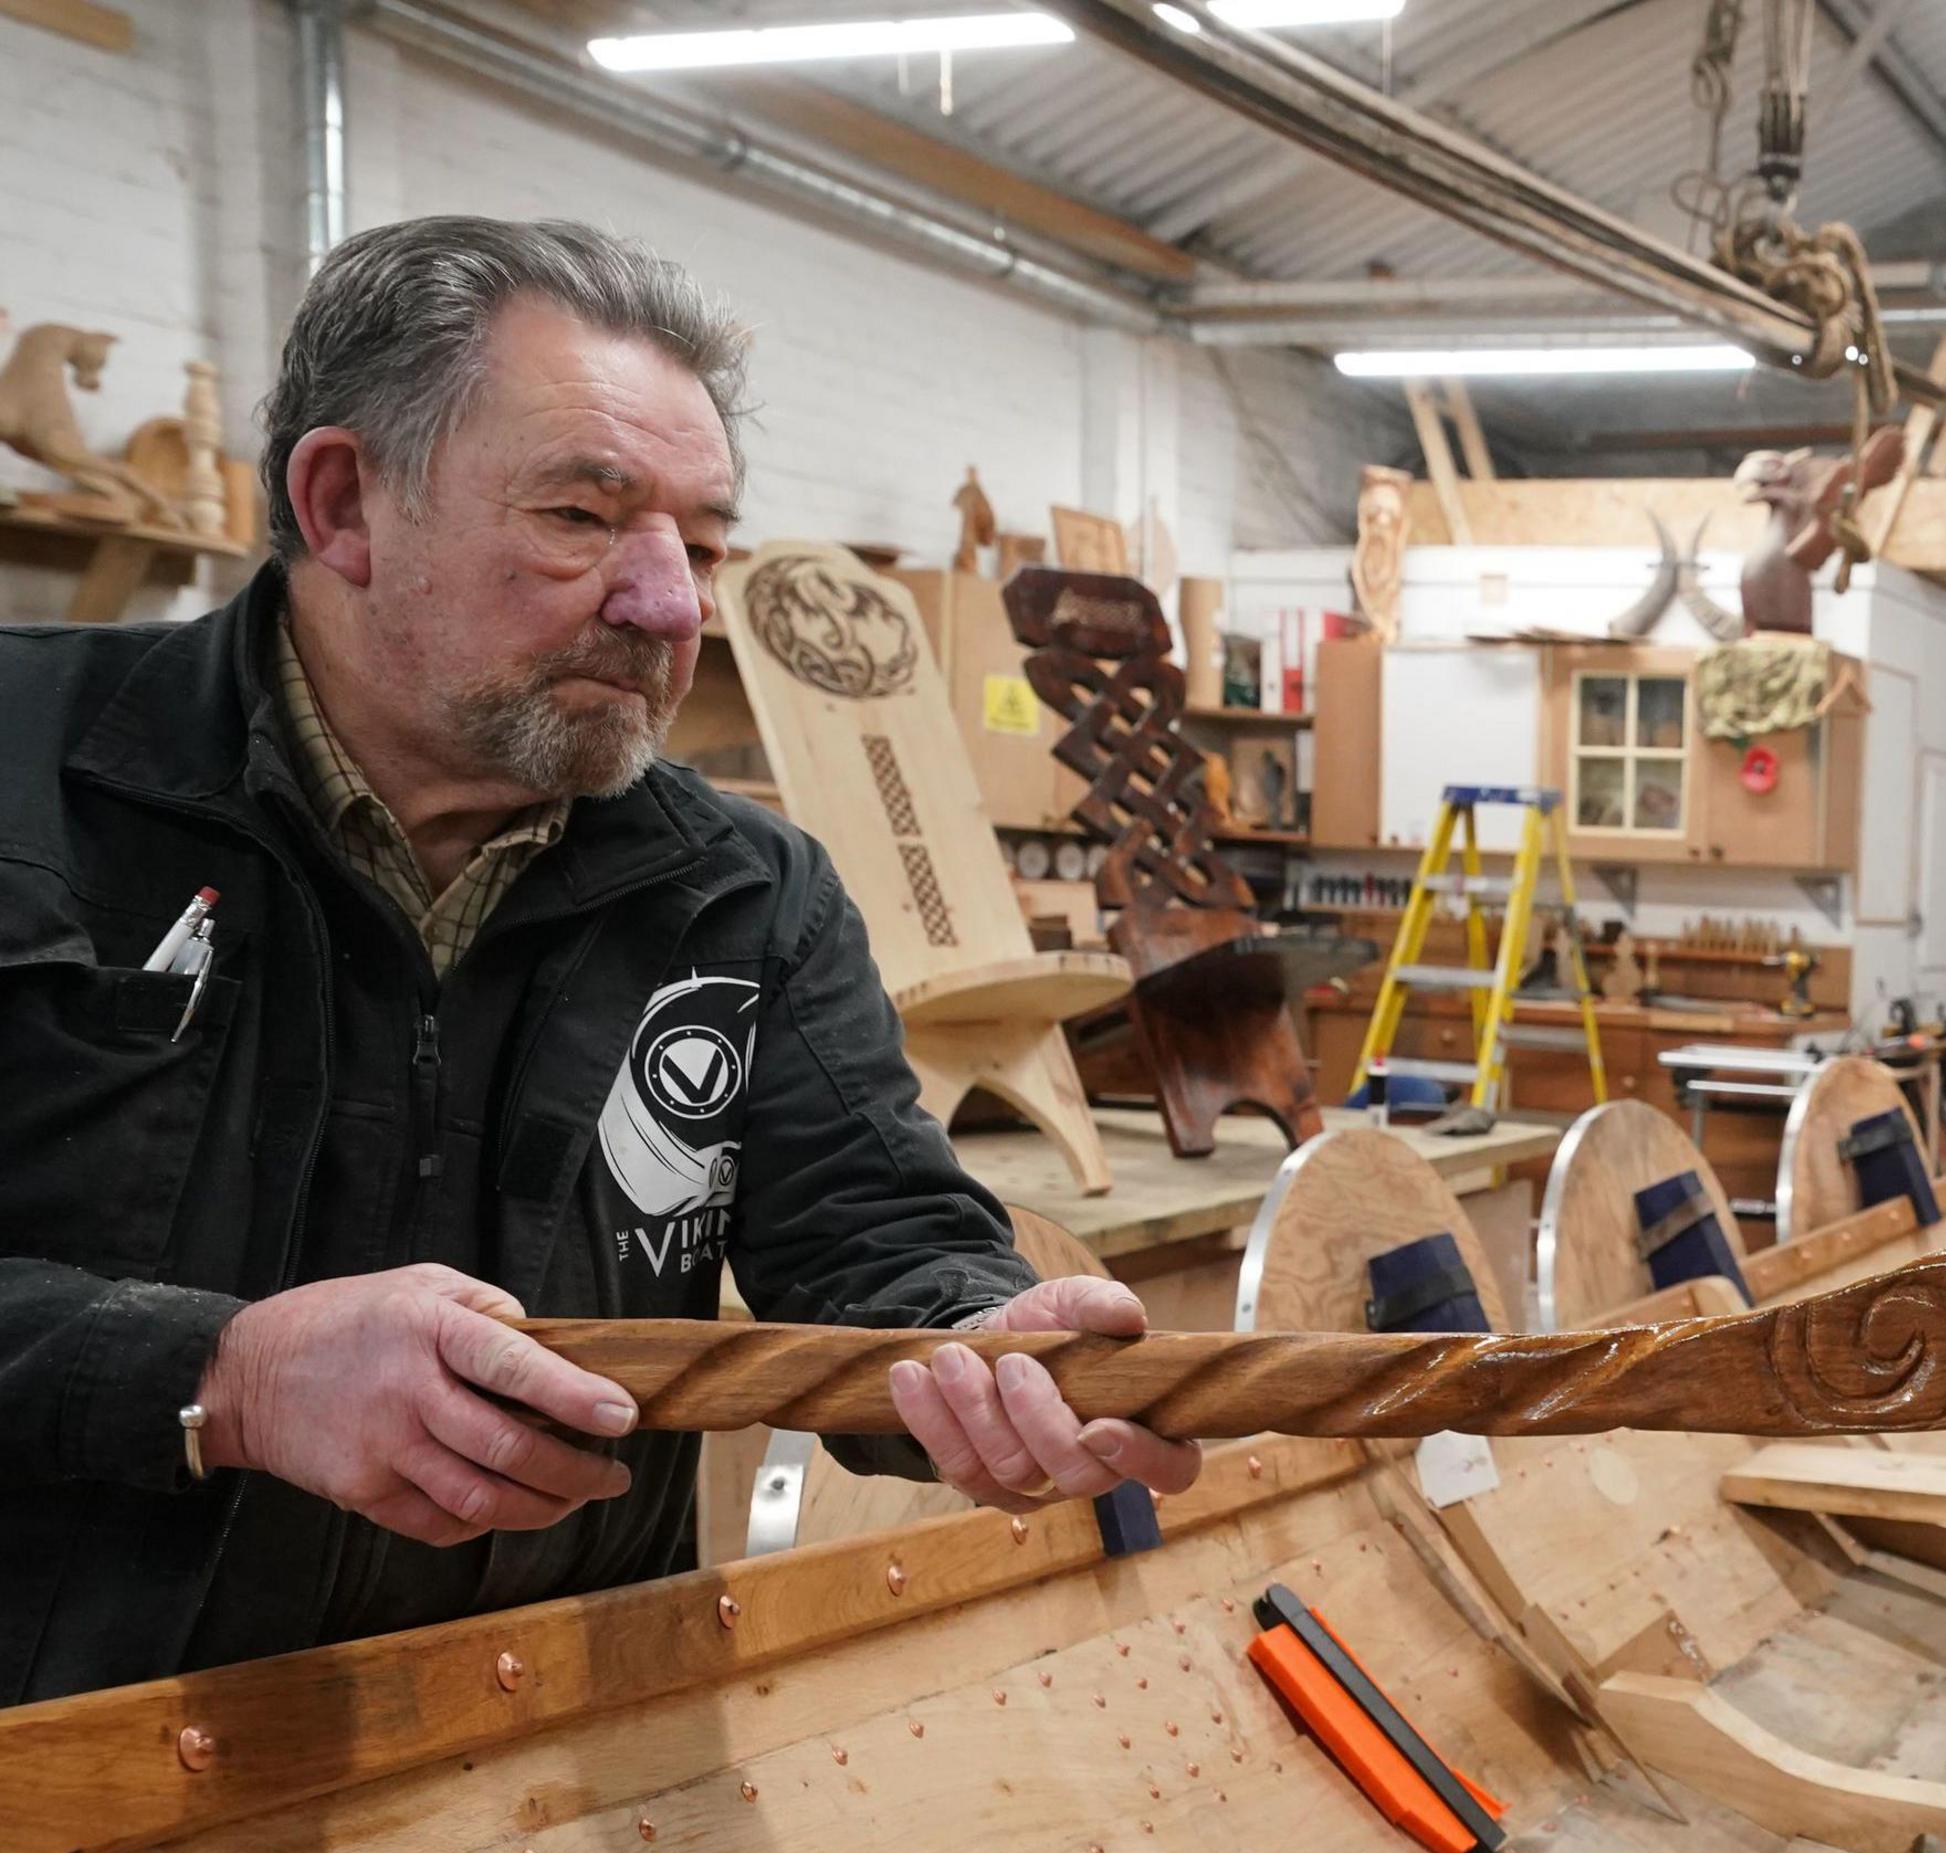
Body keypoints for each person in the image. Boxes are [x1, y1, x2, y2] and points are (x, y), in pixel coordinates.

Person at [0, 217, 1195, 1706]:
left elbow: (872, 1239)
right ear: (343, 503)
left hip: (547, 1744)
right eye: (582, 517)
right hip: (66, 1753)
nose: (673, 607)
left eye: (698, 545)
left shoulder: (742, 893)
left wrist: (976, 1340)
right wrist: (216, 1377)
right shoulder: (24, 779)